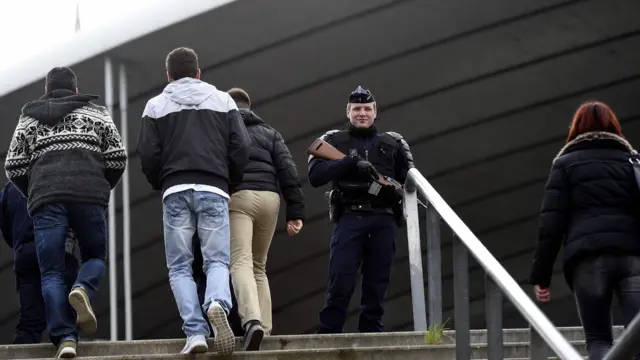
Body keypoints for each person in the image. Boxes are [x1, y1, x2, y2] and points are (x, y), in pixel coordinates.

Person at [4, 66, 127, 358]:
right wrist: (100, 188)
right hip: (89, 196)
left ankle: (66, 339)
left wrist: (35, 192)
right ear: (75, 90)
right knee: (95, 256)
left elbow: (13, 165)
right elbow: (118, 156)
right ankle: (83, 288)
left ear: (46, 90)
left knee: (51, 273)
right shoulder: (96, 114)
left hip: (46, 199)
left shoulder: (29, 117)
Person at [136, 47, 251, 355]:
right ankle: (216, 302)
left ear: (169, 76)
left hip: (175, 189)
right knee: (217, 260)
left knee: (179, 267)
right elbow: (241, 146)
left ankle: (196, 333)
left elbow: (147, 153)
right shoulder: (223, 100)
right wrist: (229, 180)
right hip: (213, 188)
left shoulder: (155, 106)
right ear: (199, 73)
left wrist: (162, 182)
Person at [529, 101, 640, 360]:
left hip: (588, 260)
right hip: (632, 258)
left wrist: (541, 276)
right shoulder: (633, 161)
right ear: (614, 127)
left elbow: (551, 224)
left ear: (576, 129)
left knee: (599, 340)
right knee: (637, 341)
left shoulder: (565, 164)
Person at [307, 86, 414, 333]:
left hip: (384, 218)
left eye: (367, 109)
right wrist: (350, 162)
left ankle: (371, 334)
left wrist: (391, 188)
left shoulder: (393, 143)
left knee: (377, 283)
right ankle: (329, 333)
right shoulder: (334, 140)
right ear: (348, 112)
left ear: (376, 112)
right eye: (357, 109)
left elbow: (411, 183)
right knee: (341, 277)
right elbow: (315, 176)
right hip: (350, 218)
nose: (362, 113)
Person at [226, 88, 305, 350]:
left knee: (240, 262)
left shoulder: (224, 129)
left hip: (239, 197)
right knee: (259, 266)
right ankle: (267, 331)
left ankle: (252, 321)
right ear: (250, 107)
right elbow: (288, 170)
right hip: (271, 199)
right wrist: (296, 212)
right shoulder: (270, 133)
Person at [0, 182, 79, 345]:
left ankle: (22, 351)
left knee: (29, 321)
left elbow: (5, 225)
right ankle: (65, 342)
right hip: (57, 251)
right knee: (64, 318)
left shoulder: (10, 188)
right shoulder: (61, 178)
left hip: (25, 252)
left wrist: (21, 244)